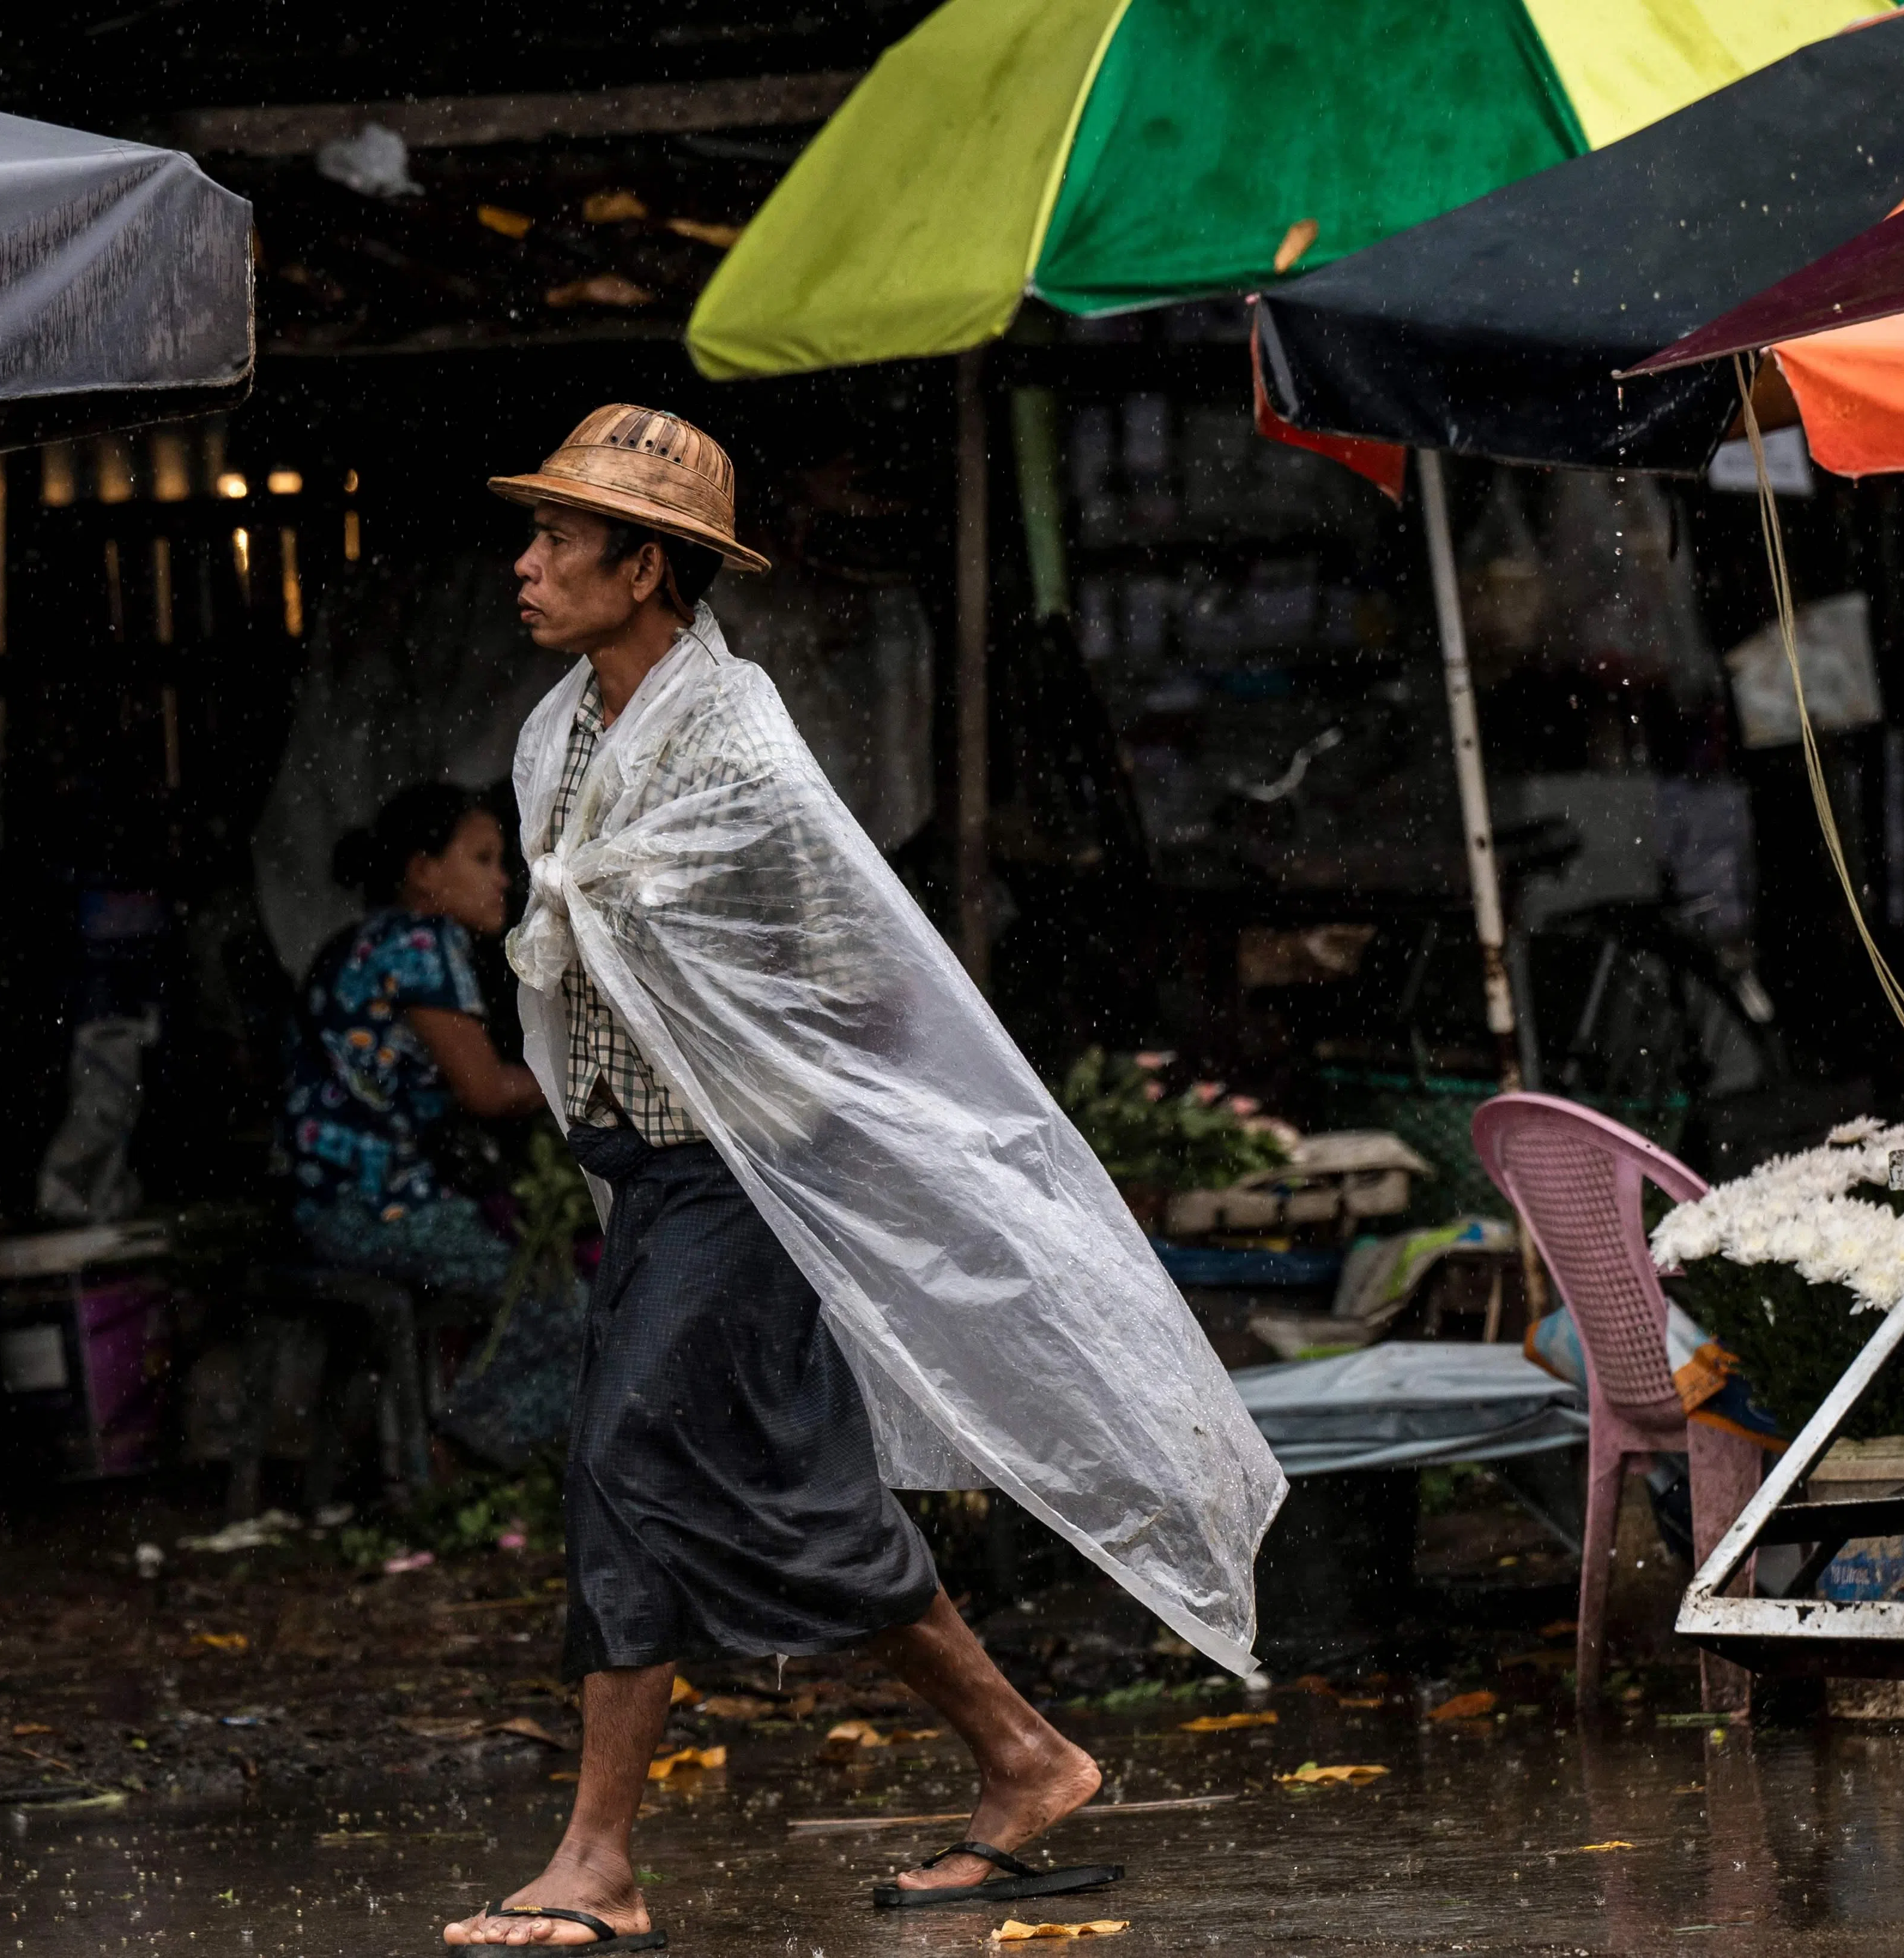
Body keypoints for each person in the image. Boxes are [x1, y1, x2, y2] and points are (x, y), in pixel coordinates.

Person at [442, 407, 1282, 1951]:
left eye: (561, 537)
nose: (530, 560)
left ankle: (597, 1854)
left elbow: (848, 969)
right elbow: (574, 959)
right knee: (776, 1480)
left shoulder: (737, 740)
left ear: (646, 567)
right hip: (648, 1168)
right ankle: (1024, 1752)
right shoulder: (556, 728)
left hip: (751, 1168)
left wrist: (784, 1119)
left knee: (627, 1450)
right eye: (538, 531)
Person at [280, 784, 577, 1461]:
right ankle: (462, 1445)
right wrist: (582, 1084)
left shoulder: (365, 941)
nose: (503, 879)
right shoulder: (421, 943)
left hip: (323, 1199)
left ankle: (455, 1444)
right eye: (483, 859)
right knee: (573, 1307)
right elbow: (486, 1093)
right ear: (423, 871)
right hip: (375, 1205)